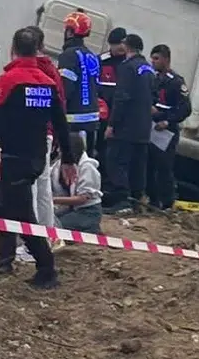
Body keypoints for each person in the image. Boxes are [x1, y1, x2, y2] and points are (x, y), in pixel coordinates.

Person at [0, 27, 77, 289]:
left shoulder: (10, 79)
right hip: (36, 156)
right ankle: (5, 260)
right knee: (5, 206)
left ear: (14, 48)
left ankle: (47, 269)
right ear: (39, 49)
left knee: (23, 217)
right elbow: (61, 123)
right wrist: (68, 159)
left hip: (14, 157)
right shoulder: (48, 82)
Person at [104, 33, 154, 214]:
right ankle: (136, 200)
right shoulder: (148, 68)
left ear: (127, 46)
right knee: (137, 166)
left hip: (126, 126)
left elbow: (122, 97)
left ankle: (122, 201)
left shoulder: (127, 67)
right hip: (143, 128)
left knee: (116, 161)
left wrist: (112, 124)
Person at [147, 44, 190, 211]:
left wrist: (169, 121)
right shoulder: (153, 78)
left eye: (157, 59)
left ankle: (167, 202)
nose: (153, 62)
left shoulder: (176, 82)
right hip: (151, 128)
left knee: (164, 167)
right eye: (152, 59)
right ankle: (152, 199)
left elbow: (185, 109)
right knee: (148, 165)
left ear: (166, 59)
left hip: (167, 132)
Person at [57, 12, 102, 156]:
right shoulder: (92, 56)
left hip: (73, 120)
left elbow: (65, 88)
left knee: (70, 163)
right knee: (85, 161)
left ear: (70, 32)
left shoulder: (68, 55)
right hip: (92, 119)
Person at [51, 133, 103, 233]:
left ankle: (90, 227)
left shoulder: (87, 167)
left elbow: (82, 199)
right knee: (47, 222)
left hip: (88, 211)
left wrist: (53, 200)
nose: (57, 151)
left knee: (57, 227)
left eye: (60, 148)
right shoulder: (57, 166)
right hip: (69, 209)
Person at [95, 27, 126, 181]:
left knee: (116, 154)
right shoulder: (101, 61)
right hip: (102, 114)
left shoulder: (130, 63)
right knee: (100, 148)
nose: (120, 47)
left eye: (123, 43)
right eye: (117, 44)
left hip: (121, 116)